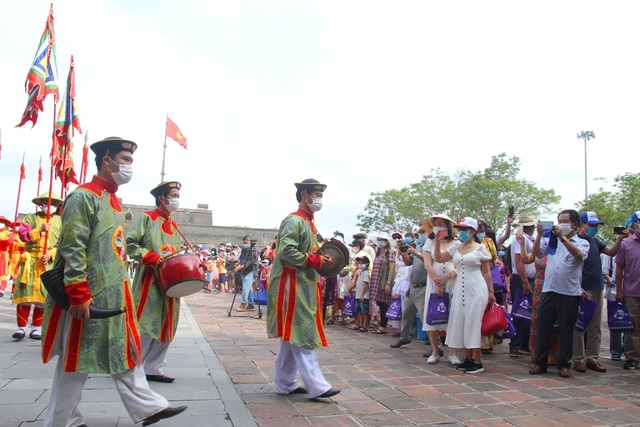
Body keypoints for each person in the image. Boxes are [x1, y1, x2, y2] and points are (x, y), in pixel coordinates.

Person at [41, 136, 186, 426]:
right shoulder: (83, 196)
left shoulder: (114, 201)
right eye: (125, 160)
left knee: (124, 349)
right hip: (89, 295)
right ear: (106, 160)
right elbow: (73, 247)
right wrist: (79, 294)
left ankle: (148, 407)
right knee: (74, 362)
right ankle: (62, 421)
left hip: (114, 294)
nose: (129, 166)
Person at [266, 178, 339, 399]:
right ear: (304, 196)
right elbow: (285, 251)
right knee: (302, 331)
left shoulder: (309, 223)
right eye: (316, 195)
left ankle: (285, 383)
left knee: (292, 334)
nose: (319, 199)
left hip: (303, 284)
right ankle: (317, 385)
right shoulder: (294, 221)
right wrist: (316, 261)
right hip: (292, 284)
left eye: (321, 196)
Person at [126, 180, 184, 384]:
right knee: (146, 322)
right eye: (174, 195)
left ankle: (154, 367)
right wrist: (151, 257)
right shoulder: (147, 218)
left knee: (167, 324)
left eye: (178, 195)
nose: (177, 199)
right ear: (162, 197)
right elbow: (129, 243)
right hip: (150, 280)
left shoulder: (174, 225)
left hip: (171, 282)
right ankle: (132, 366)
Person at [530, 209, 590, 378]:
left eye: (565, 221)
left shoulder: (582, 242)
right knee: (544, 327)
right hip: (549, 290)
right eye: (559, 220)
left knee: (566, 329)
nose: (561, 224)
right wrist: (540, 235)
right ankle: (540, 362)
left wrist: (563, 238)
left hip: (569, 292)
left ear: (575, 225)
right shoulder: (551, 241)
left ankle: (564, 364)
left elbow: (578, 255)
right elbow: (535, 253)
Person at [434, 217, 496, 374]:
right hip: (460, 288)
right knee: (460, 321)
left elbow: (486, 272)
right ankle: (467, 358)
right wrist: (436, 242)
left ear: (473, 231)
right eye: (460, 229)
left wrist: (491, 292)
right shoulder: (456, 247)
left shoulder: (480, 248)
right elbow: (439, 258)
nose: (461, 232)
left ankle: (477, 360)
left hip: (476, 288)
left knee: (474, 322)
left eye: (464, 229)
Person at [573, 211, 627, 373]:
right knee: (580, 325)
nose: (594, 228)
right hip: (582, 288)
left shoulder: (595, 241)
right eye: (591, 225)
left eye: (596, 226)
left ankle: (592, 357)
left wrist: (619, 239)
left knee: (595, 326)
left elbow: (611, 252)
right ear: (581, 224)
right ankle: (577, 358)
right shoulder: (574, 242)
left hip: (597, 286)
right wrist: (577, 286)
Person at [12, 191, 63, 340]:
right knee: (25, 295)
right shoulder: (30, 218)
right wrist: (39, 230)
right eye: (46, 203)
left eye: (53, 203)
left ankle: (35, 328)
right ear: (40, 204)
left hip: (47, 262)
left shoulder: (60, 221)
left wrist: (52, 253)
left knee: (43, 298)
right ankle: (21, 328)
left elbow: (62, 241)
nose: (50, 206)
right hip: (31, 261)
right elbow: (23, 235)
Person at [422, 214, 460, 365]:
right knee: (433, 315)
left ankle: (453, 352)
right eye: (436, 224)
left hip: (452, 282)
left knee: (453, 316)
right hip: (433, 282)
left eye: (441, 224)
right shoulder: (429, 242)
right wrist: (437, 282)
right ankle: (435, 351)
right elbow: (427, 264)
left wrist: (448, 277)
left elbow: (459, 265)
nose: (438, 226)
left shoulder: (456, 243)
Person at [390, 224, 427, 348]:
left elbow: (428, 262)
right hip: (412, 287)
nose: (419, 236)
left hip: (424, 286)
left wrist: (415, 253)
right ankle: (404, 337)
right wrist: (404, 254)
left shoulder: (429, 247)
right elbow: (408, 263)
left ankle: (435, 345)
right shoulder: (417, 246)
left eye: (422, 232)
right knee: (406, 314)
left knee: (424, 316)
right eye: (418, 233)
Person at [508, 215, 537, 357]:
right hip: (521, 279)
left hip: (527, 278)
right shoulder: (520, 239)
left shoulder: (527, 239)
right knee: (520, 312)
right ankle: (515, 344)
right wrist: (525, 281)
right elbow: (519, 261)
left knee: (526, 313)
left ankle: (523, 343)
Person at [615, 211, 640, 370]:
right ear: (634, 224)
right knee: (634, 327)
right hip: (632, 291)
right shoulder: (626, 244)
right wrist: (619, 289)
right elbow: (619, 268)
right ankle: (632, 357)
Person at [369, 231, 397, 335]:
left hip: (384, 281)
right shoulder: (379, 253)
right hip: (377, 281)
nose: (380, 242)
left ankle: (383, 326)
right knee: (380, 303)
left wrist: (388, 283)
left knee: (385, 303)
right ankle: (381, 323)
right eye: (379, 240)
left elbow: (392, 268)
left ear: (386, 242)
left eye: (382, 240)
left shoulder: (390, 253)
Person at [233, 235, 256, 312]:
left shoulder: (253, 250)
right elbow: (242, 259)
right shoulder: (243, 249)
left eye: (246, 242)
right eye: (243, 242)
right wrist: (238, 264)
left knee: (245, 288)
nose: (245, 244)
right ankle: (251, 304)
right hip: (243, 270)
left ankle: (243, 304)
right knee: (247, 288)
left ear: (249, 242)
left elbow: (251, 261)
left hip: (250, 270)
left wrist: (241, 267)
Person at [349, 256, 370, 332]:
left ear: (366, 264)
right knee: (359, 310)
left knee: (364, 311)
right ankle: (360, 324)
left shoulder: (366, 273)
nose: (359, 264)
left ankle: (365, 325)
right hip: (358, 295)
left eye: (361, 262)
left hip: (363, 295)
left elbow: (365, 284)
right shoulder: (360, 272)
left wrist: (362, 294)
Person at [0, 216, 14, 297]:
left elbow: (9, 241)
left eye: (2, 222)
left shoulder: (9, 233)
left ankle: (1, 289)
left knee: (3, 273)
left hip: (3, 255)